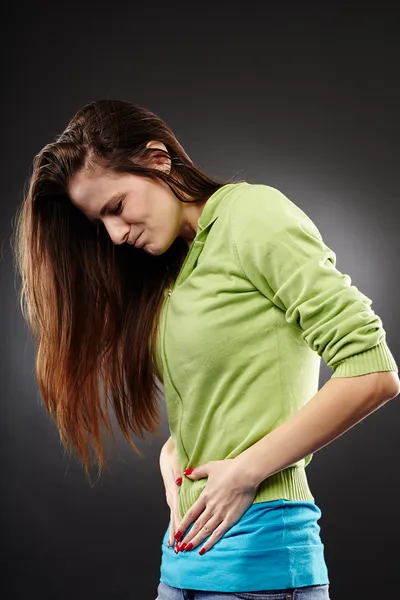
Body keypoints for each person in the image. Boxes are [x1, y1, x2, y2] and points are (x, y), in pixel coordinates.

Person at [12, 99, 399, 600]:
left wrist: (245, 471)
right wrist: (178, 449)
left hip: (260, 570)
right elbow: (230, 386)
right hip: (181, 567)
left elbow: (372, 371)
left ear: (158, 159)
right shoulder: (174, 268)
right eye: (99, 224)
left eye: (116, 207)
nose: (114, 234)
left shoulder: (251, 215)